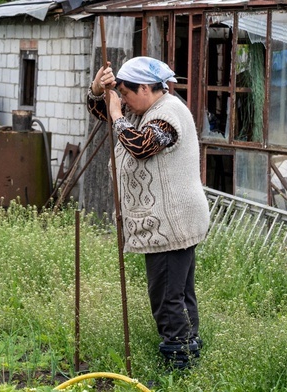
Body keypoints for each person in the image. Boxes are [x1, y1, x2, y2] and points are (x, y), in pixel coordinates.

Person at [87, 57, 210, 370]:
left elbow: (141, 145)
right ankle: (189, 349)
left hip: (171, 223)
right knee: (180, 292)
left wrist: (117, 116)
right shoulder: (150, 108)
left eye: (127, 95)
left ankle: (177, 362)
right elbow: (106, 111)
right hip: (173, 219)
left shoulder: (168, 114)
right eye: (122, 97)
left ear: (145, 87)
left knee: (167, 295)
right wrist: (99, 90)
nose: (125, 102)